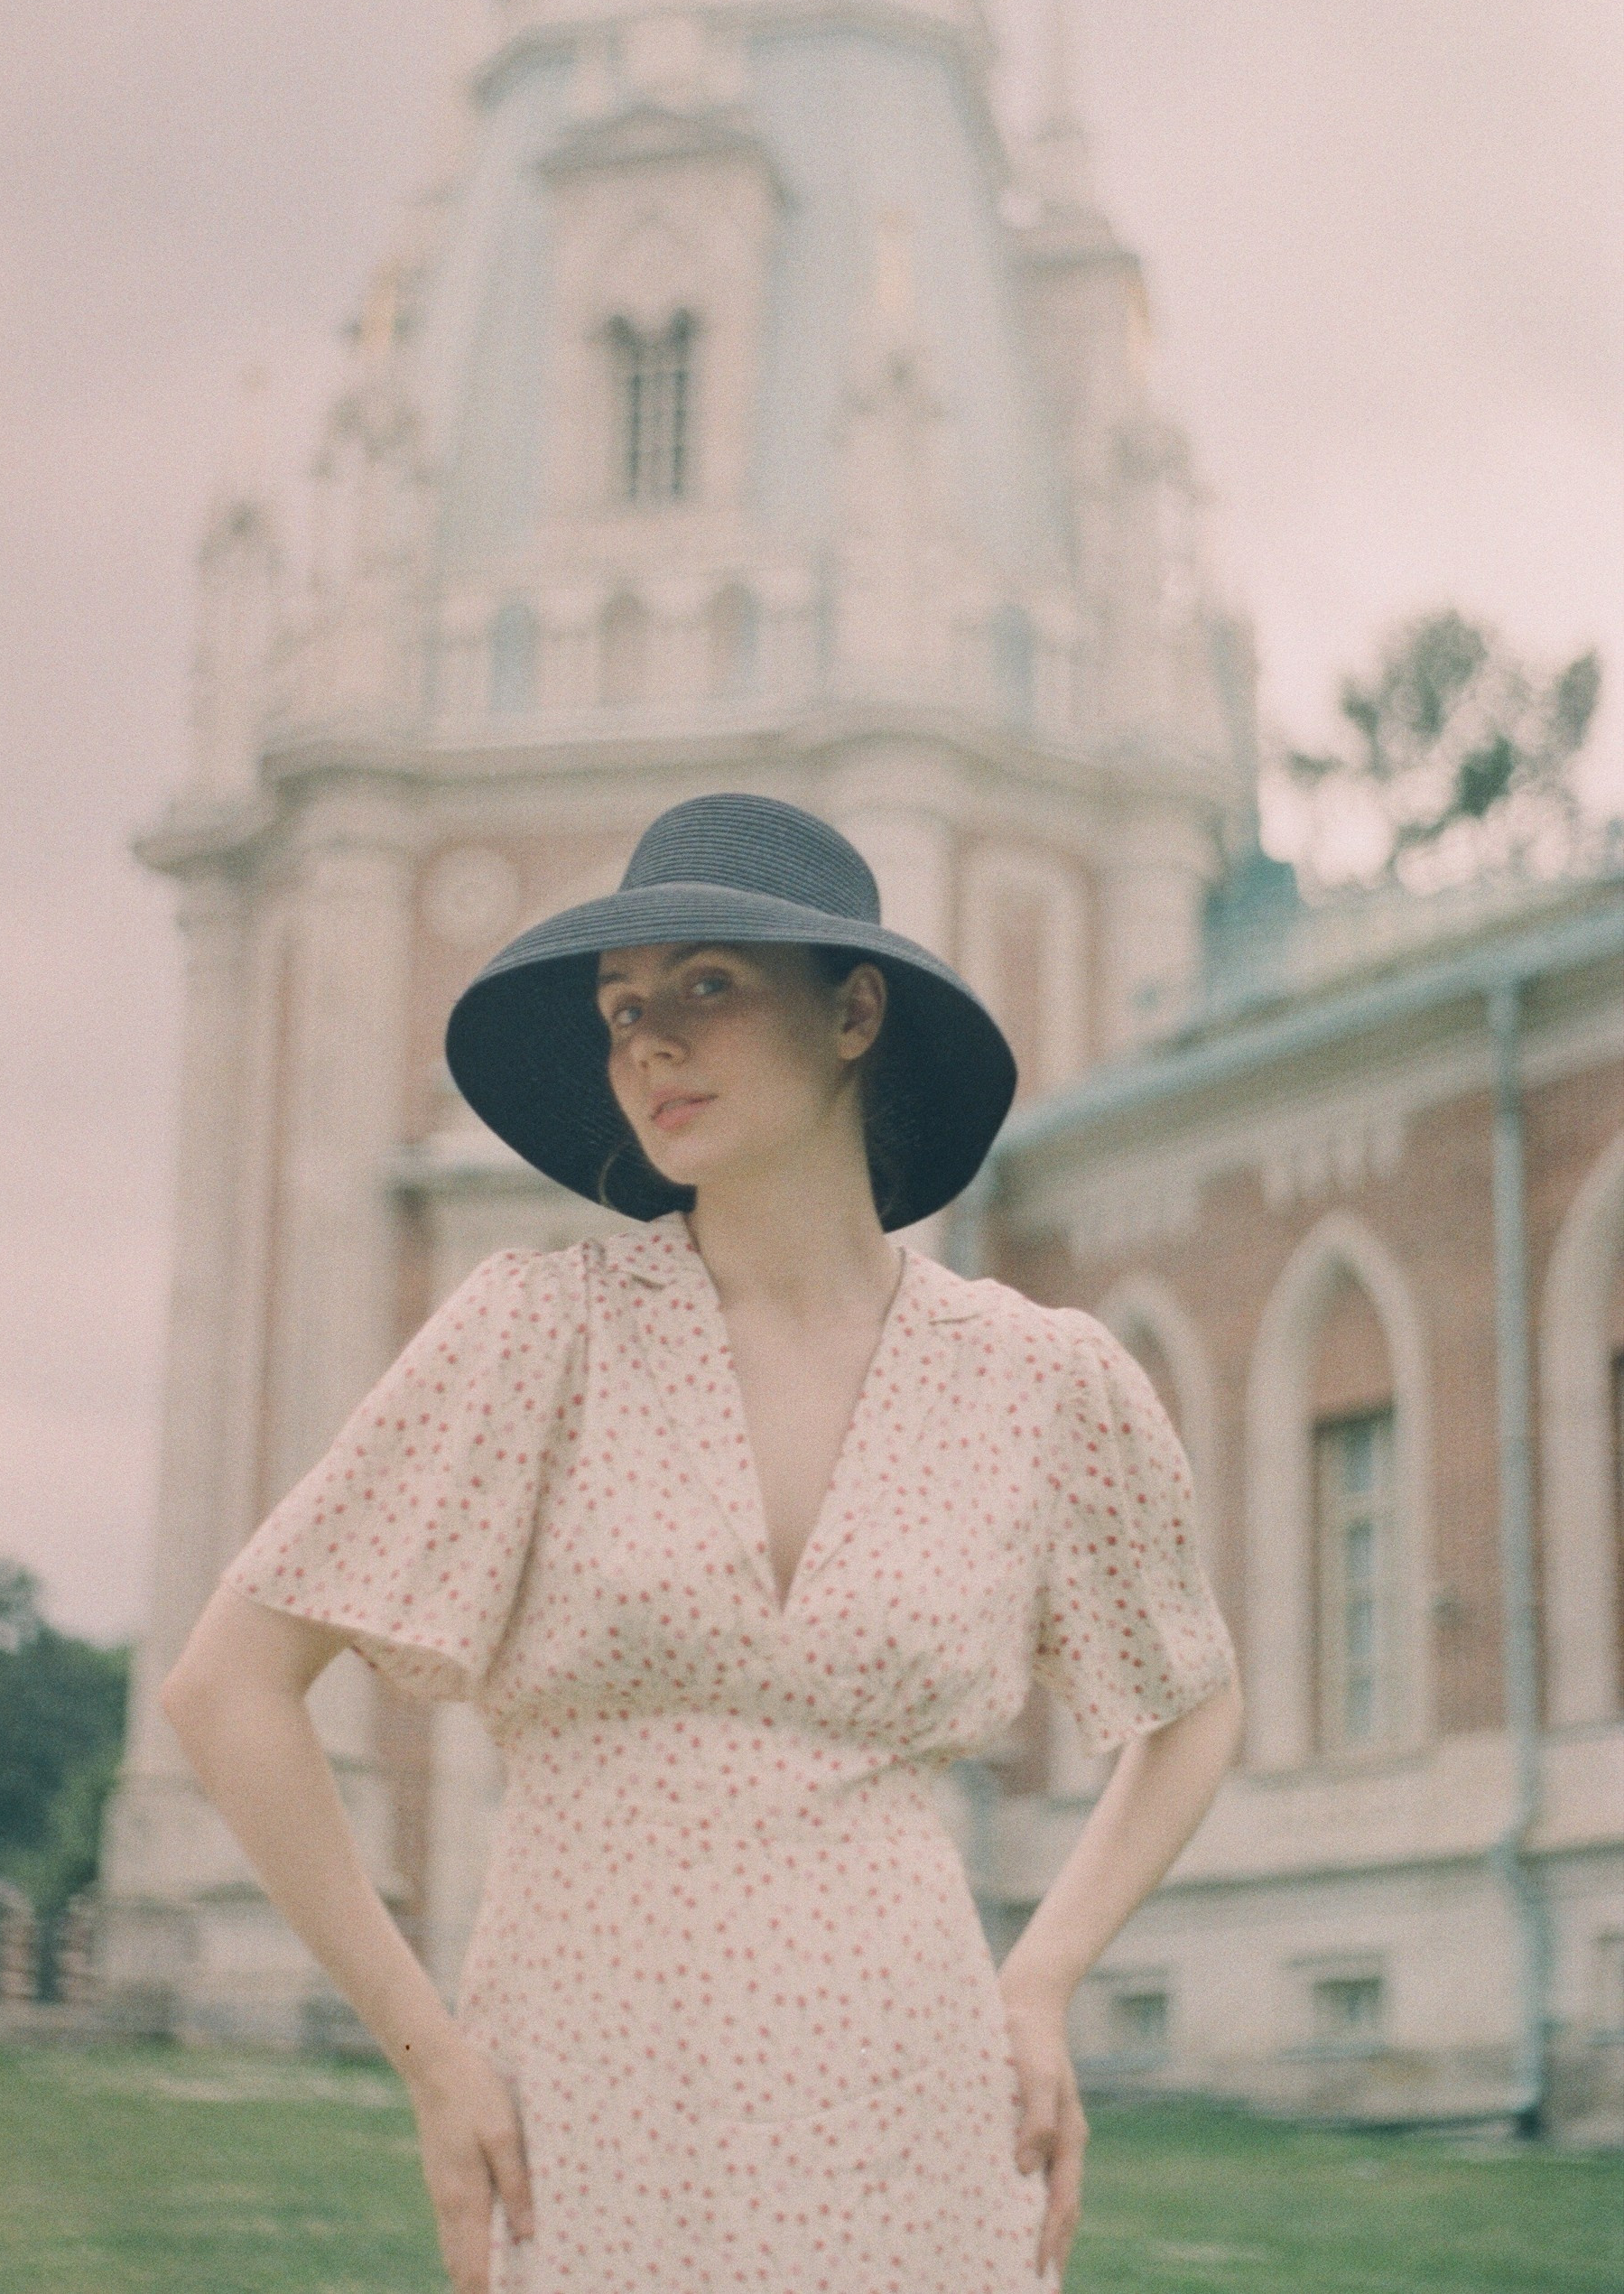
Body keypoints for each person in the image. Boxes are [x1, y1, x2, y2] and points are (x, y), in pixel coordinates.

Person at [163, 793, 1240, 2292]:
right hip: (595, 2093)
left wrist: (1046, 1971)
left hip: (913, 2096)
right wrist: (433, 2058)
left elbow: (1192, 1702)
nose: (649, 1041)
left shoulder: (1041, 1379)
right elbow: (226, 1687)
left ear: (855, 1008)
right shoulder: (539, 1334)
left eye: (706, 987)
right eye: (621, 1009)